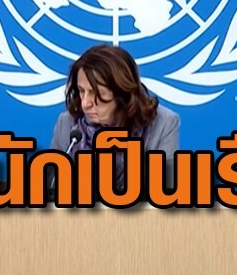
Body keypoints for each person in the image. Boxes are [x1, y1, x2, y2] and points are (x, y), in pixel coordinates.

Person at [50, 44, 180, 188]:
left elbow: (165, 189)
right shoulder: (67, 124)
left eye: (97, 94)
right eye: (82, 91)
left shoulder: (164, 124)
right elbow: (51, 189)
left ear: (122, 94)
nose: (85, 103)